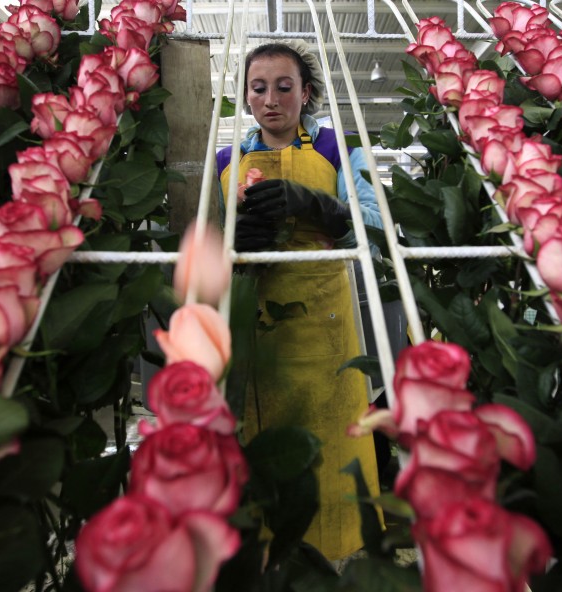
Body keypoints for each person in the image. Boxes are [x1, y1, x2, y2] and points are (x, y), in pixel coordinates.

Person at [215, 41, 383, 563]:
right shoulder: (224, 162)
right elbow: (204, 251)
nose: (271, 100)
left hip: (328, 334)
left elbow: (376, 227)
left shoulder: (339, 149)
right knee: (268, 466)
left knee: (334, 458)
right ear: (246, 98)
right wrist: (235, 244)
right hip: (259, 338)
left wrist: (317, 204)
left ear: (305, 93)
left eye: (284, 87)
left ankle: (339, 557)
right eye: (259, 88)